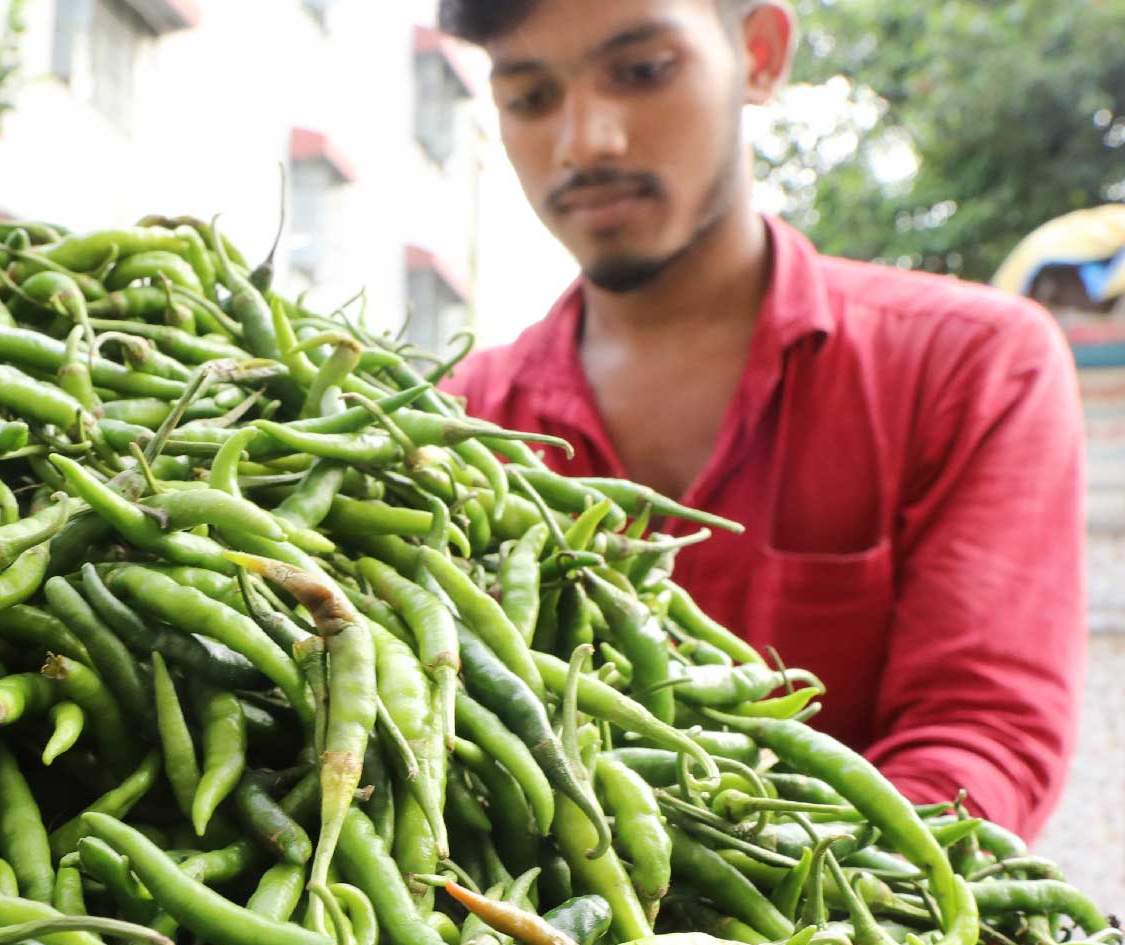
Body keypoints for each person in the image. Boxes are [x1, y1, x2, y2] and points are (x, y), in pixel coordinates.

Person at [435, 0, 1086, 837]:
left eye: (641, 72)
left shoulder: (969, 366)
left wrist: (746, 932)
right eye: (530, 97)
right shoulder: (459, 425)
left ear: (761, 53)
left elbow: (983, 740)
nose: (585, 141)